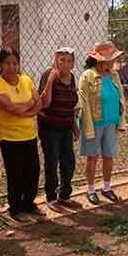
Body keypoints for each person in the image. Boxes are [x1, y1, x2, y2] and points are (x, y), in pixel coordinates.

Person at [0, 47, 45, 221]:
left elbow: (40, 103)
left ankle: (29, 204)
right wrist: (30, 104)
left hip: (29, 136)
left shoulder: (26, 80)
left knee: (33, 172)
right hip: (10, 138)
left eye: (14, 63)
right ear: (1, 64)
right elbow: (11, 108)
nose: (12, 67)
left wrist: (25, 110)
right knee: (16, 174)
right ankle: (15, 209)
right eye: (7, 63)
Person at [79, 41, 127, 205]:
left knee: (109, 156)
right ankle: (91, 190)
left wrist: (122, 121)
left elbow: (121, 97)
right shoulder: (87, 76)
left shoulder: (114, 74)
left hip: (111, 122)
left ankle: (106, 187)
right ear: (100, 60)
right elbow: (84, 102)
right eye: (111, 59)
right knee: (92, 157)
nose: (113, 62)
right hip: (95, 123)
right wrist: (88, 127)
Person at [38, 47, 80, 210]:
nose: (65, 64)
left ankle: (64, 195)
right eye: (61, 60)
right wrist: (50, 81)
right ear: (55, 61)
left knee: (68, 161)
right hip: (49, 127)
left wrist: (75, 127)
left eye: (69, 61)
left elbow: (71, 106)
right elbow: (45, 103)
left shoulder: (72, 78)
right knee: (52, 161)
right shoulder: (48, 75)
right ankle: (51, 197)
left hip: (66, 126)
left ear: (73, 63)